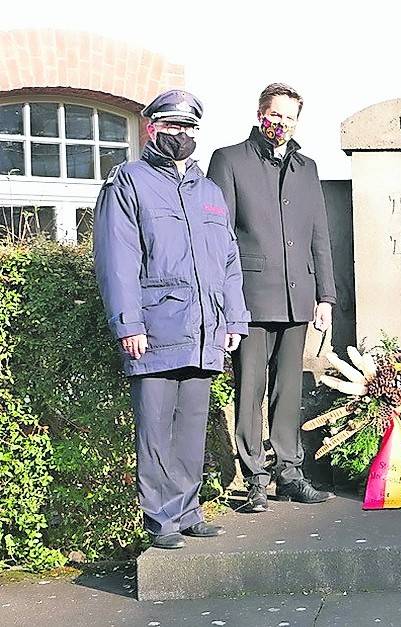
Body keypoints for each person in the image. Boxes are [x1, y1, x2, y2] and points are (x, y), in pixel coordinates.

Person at [93, 89, 250, 549]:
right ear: (152, 128)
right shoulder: (129, 182)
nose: (181, 134)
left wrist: (234, 319)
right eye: (172, 126)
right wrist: (129, 324)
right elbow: (117, 258)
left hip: (204, 330)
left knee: (190, 427)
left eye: (188, 127)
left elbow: (229, 261)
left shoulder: (210, 192)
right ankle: (161, 520)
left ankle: (187, 511)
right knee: (156, 430)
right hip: (156, 328)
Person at [207, 83, 337, 512]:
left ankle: (289, 472)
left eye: (289, 117)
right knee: (250, 389)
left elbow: (319, 234)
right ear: (261, 113)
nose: (281, 123)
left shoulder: (307, 167)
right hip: (249, 297)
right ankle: (255, 478)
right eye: (275, 114)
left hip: (298, 296)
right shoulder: (229, 160)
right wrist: (225, 301)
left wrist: (325, 296)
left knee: (288, 389)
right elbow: (218, 236)